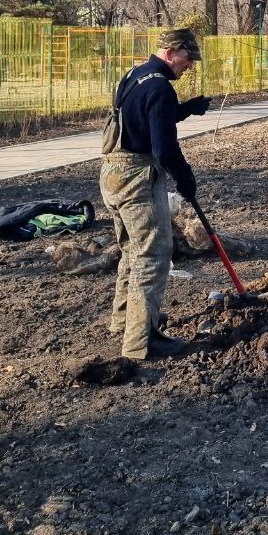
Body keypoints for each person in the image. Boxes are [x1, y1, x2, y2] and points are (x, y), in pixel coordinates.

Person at [102, 28, 211, 360]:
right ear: (173, 52)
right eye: (188, 58)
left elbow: (145, 119)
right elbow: (163, 147)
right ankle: (141, 341)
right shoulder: (160, 88)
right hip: (136, 180)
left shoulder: (136, 75)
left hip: (111, 175)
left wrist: (187, 108)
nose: (190, 65)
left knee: (131, 251)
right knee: (152, 256)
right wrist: (185, 178)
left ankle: (125, 321)